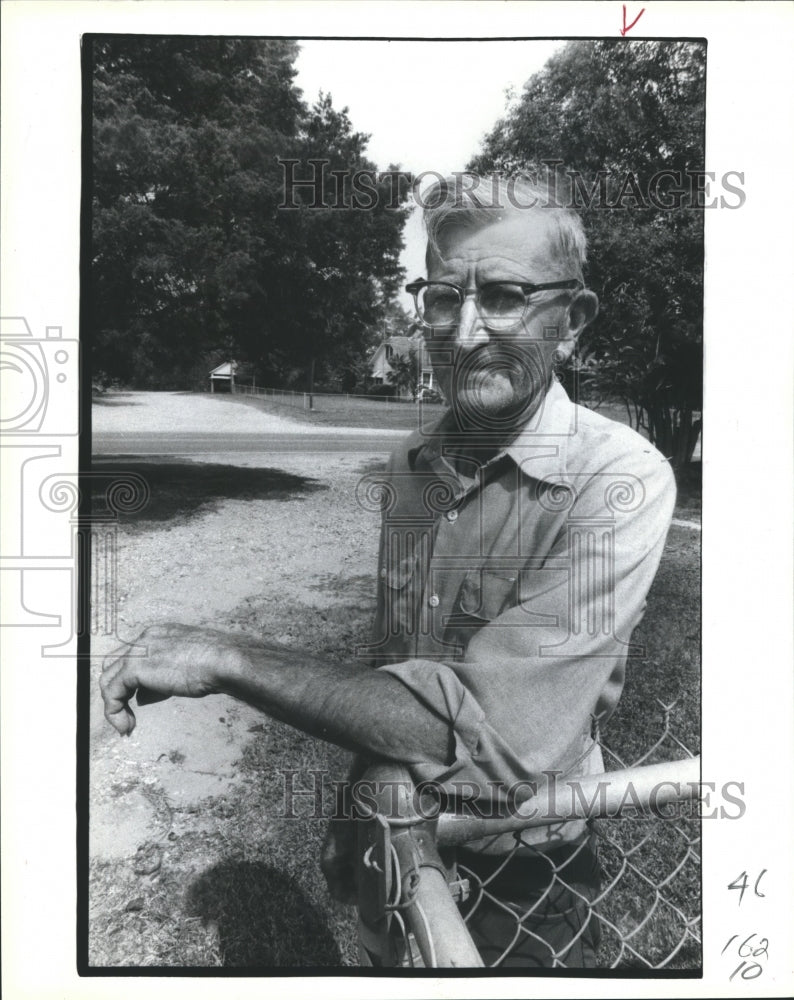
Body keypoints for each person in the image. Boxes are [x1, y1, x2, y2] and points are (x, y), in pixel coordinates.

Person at [100, 174, 676, 968]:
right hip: (394, 831)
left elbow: (496, 735)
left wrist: (229, 660)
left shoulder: (619, 479)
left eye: (505, 295)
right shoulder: (413, 464)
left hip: (525, 858)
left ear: (571, 322)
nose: (468, 331)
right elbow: (399, 662)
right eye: (444, 298)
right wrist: (362, 798)